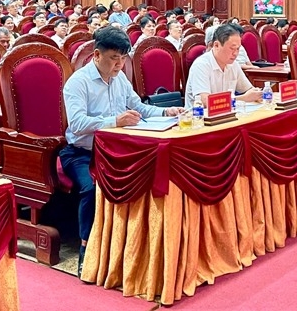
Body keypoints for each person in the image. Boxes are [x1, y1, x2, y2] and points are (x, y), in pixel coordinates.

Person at [61, 26, 182, 277]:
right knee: (91, 188)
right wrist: (115, 121)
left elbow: (138, 107)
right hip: (82, 152)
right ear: (96, 55)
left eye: (123, 58)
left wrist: (166, 112)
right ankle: (87, 249)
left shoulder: (120, 78)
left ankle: (130, 244)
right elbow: (78, 124)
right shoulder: (78, 83)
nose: (119, 64)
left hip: (116, 150)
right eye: (114, 58)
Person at [185, 24, 263, 108]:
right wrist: (244, 98)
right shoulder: (201, 65)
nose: (235, 53)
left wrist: (256, 93)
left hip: (227, 116)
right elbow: (205, 102)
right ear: (216, 45)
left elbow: (248, 89)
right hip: (199, 118)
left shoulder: (233, 64)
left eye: (238, 49)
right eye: (232, 48)